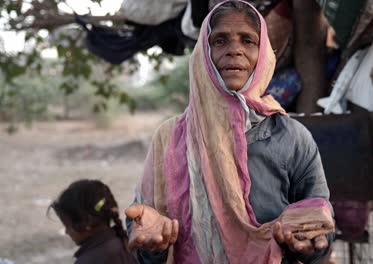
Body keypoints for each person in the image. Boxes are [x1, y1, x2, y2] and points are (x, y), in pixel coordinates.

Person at [125, 1, 335, 263]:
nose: (234, 50)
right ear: (203, 53)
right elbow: (144, 226)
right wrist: (152, 244)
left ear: (264, 54)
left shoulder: (291, 136)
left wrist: (311, 242)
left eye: (248, 40)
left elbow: (319, 217)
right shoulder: (169, 137)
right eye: (220, 41)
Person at [50, 179, 137, 264]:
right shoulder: (128, 243)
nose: (66, 232)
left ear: (87, 222)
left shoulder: (90, 259)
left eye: (67, 226)